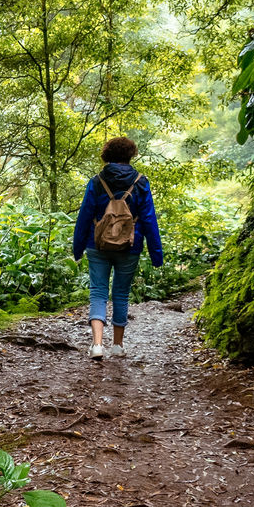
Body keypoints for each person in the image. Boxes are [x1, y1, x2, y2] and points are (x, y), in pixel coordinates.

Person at [71, 136, 164, 359]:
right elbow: (149, 218)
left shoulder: (96, 181)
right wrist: (156, 254)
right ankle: (118, 346)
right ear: (130, 155)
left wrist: (78, 247)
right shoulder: (141, 182)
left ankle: (96, 345)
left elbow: (84, 216)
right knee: (121, 294)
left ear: (107, 155)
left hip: (97, 244)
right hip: (130, 246)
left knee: (98, 292)